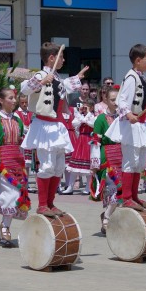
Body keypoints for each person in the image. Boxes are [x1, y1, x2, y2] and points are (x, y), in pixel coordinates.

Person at [20, 42, 89, 217]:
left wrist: (78, 77)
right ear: (52, 58)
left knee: (59, 166)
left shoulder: (56, 76)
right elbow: (25, 89)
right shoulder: (41, 74)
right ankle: (42, 204)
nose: (63, 60)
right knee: (47, 165)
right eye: (61, 57)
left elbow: (63, 86)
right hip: (44, 126)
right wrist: (42, 81)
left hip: (57, 125)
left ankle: (51, 203)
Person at [104, 44, 146, 211]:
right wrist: (129, 114)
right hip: (130, 124)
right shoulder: (131, 77)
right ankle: (127, 197)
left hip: (139, 124)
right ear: (138, 61)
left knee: (138, 162)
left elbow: (138, 97)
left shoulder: (139, 77)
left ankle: (134, 196)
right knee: (130, 161)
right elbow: (122, 101)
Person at [0, 88, 30, 247]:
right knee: (9, 195)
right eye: (10, 98)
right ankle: (5, 227)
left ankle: (6, 227)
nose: (14, 100)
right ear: (1, 101)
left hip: (17, 163)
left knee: (17, 194)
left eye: (14, 98)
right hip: (3, 163)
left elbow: (23, 142)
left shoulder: (18, 120)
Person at [90, 86, 121, 233]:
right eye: (113, 100)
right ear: (106, 100)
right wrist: (95, 164)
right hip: (107, 155)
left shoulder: (123, 117)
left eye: (118, 99)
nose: (116, 102)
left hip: (121, 155)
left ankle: (107, 215)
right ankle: (107, 217)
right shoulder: (101, 119)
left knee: (122, 188)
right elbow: (95, 142)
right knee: (113, 188)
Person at [63, 98, 96, 194]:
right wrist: (82, 116)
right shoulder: (80, 117)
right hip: (80, 140)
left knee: (88, 166)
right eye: (84, 107)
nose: (84, 109)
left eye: (87, 107)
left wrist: (87, 115)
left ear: (91, 108)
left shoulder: (93, 116)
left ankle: (88, 187)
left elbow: (92, 124)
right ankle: (70, 187)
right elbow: (74, 124)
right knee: (74, 165)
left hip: (88, 140)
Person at [14, 93, 36, 192]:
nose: (24, 104)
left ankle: (29, 184)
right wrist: (27, 129)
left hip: (30, 140)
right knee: (22, 164)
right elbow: (19, 126)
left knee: (30, 164)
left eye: (26, 102)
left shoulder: (31, 113)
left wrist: (30, 128)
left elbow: (34, 123)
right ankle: (22, 184)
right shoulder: (16, 113)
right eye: (22, 102)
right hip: (22, 140)